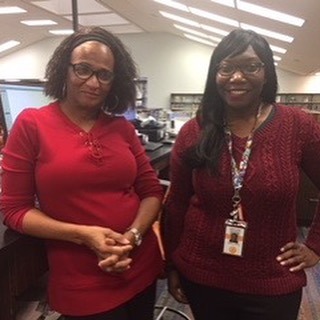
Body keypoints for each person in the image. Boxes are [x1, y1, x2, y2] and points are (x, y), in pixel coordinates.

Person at [0, 26, 164, 320]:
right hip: (81, 280)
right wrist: (83, 235)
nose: (93, 82)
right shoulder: (32, 125)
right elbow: (14, 210)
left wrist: (133, 236)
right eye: (83, 70)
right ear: (65, 70)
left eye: (104, 74)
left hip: (139, 265)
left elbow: (151, 191)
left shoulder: (122, 128)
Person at [162, 29, 320, 320]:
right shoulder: (194, 131)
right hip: (202, 275)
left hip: (272, 281)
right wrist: (172, 265)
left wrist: (315, 246)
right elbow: (177, 203)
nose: (237, 77)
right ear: (215, 74)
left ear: (266, 72)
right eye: (226, 67)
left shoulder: (298, 126)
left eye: (250, 66)